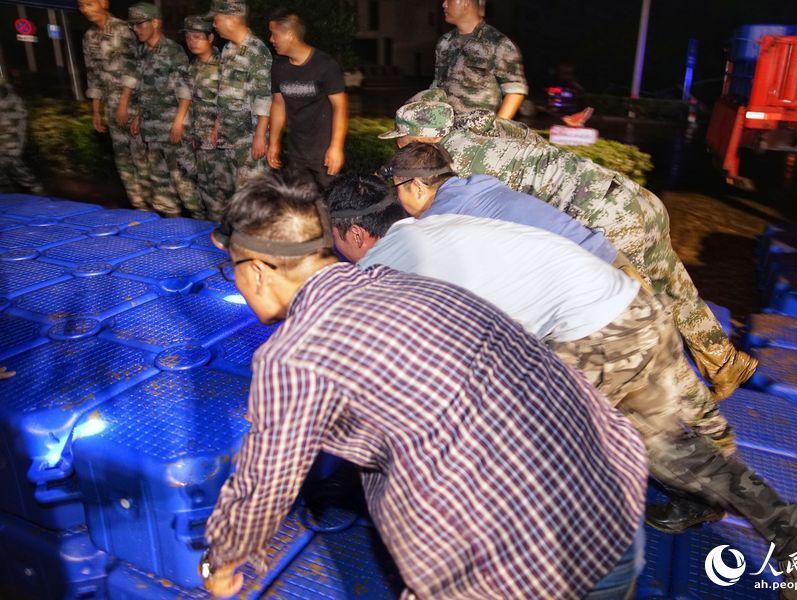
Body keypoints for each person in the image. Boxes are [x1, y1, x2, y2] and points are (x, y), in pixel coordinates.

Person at [327, 174, 797, 598]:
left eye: (336, 243)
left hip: (592, 335)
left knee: (518, 460)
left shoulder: (386, 266)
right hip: (631, 310)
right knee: (674, 454)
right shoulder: (433, 227)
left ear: (355, 234)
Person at [200, 173, 648, 600]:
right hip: (616, 504)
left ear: (257, 269)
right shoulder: (411, 282)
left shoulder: (294, 355)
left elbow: (264, 486)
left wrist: (220, 564)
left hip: (529, 562)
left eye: (233, 270)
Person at [378, 100, 758, 402]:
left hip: (605, 218)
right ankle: (725, 362)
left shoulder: (454, 159)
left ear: (423, 139)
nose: (398, 147)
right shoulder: (485, 130)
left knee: (633, 308)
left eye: (401, 140)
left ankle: (681, 407)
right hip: (633, 200)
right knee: (670, 286)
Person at [128, 3, 202, 219]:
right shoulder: (142, 52)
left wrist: (179, 123)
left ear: (155, 22)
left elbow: (185, 91)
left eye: (139, 24)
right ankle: (170, 228)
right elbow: (145, 89)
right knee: (160, 184)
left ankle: (202, 225)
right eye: (133, 25)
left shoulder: (173, 51)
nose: (136, 29)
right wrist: (138, 117)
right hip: (151, 130)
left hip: (172, 129)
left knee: (184, 182)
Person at [79, 0, 149, 210]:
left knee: (141, 158)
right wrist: (96, 111)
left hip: (133, 105)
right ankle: (139, 207)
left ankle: (155, 208)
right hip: (110, 106)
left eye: (90, 4)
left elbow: (136, 68)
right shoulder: (89, 36)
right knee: (123, 160)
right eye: (82, 6)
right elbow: (93, 75)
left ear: (104, 2)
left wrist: (124, 103)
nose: (86, 9)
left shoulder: (124, 29)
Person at [267, 9, 347, 189]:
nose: (271, 40)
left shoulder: (325, 65)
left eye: (274, 34)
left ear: (289, 35)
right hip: (296, 151)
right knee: (301, 203)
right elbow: (278, 104)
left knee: (329, 203)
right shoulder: (279, 66)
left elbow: (340, 107)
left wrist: (336, 147)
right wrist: (273, 143)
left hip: (324, 153)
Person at [206, 0, 272, 218]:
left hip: (249, 136)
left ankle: (259, 243)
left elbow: (263, 95)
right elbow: (223, 91)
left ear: (232, 19)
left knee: (253, 196)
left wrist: (261, 136)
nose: (214, 24)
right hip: (229, 135)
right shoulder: (227, 49)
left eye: (216, 18)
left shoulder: (256, 50)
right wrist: (217, 124)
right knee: (235, 194)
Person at [432, 0, 528, 118]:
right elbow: (437, 85)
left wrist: (497, 128)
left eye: (449, 0)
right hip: (444, 125)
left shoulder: (498, 43)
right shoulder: (445, 42)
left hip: (478, 130)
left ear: (465, 2)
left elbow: (514, 91)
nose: (444, 4)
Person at [175, 15, 230, 219]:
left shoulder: (224, 66)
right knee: (208, 193)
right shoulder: (193, 67)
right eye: (189, 38)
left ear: (211, 38)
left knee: (228, 193)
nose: (192, 42)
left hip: (221, 144)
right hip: (200, 141)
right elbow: (188, 100)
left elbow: (231, 103)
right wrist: (181, 125)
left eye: (197, 37)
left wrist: (218, 126)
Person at [0, 77, 44, 195]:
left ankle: (38, 192)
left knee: (15, 165)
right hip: (5, 140)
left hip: (10, 140)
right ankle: (9, 197)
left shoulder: (11, 98)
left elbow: (21, 118)